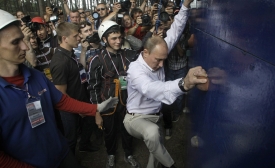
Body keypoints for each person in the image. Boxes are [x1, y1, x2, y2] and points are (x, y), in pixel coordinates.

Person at [0, 9, 118, 168]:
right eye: (15, 42)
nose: (25, 47)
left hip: (61, 154)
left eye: (23, 39)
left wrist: (95, 108)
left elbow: (61, 100)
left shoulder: (36, 76)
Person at [123, 0, 208, 168]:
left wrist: (185, 6)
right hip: (135, 119)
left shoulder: (158, 50)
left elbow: (175, 31)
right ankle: (171, 165)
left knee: (155, 152)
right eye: (158, 60)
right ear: (145, 52)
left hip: (156, 116)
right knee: (154, 134)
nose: (162, 65)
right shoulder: (135, 70)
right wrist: (184, 83)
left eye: (164, 59)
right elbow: (151, 89)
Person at [87, 20, 140, 168]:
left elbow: (141, 47)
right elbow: (93, 87)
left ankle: (128, 154)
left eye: (119, 37)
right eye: (113, 38)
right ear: (104, 40)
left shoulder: (128, 55)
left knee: (127, 129)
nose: (118, 41)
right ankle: (111, 154)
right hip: (107, 103)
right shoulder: (96, 60)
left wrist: (127, 35)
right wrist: (96, 112)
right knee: (109, 132)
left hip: (127, 102)